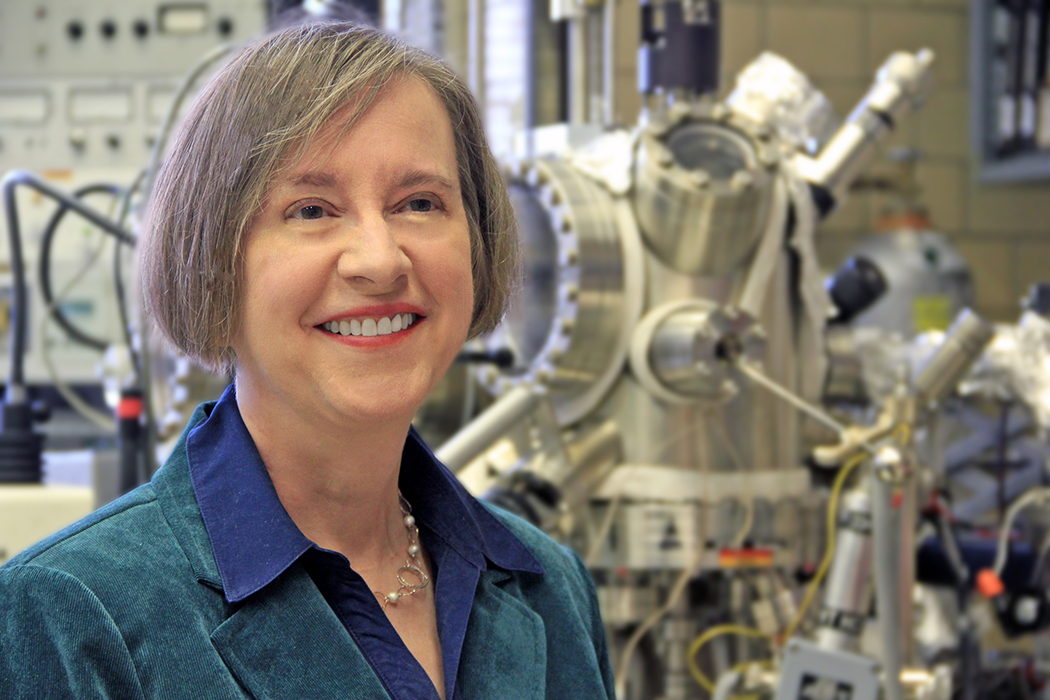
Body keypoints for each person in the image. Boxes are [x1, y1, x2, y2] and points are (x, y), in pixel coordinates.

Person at [0, 21, 614, 700]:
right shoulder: (75, 613)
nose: (380, 260)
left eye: (420, 202)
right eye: (312, 210)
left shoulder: (551, 590)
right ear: (213, 262)